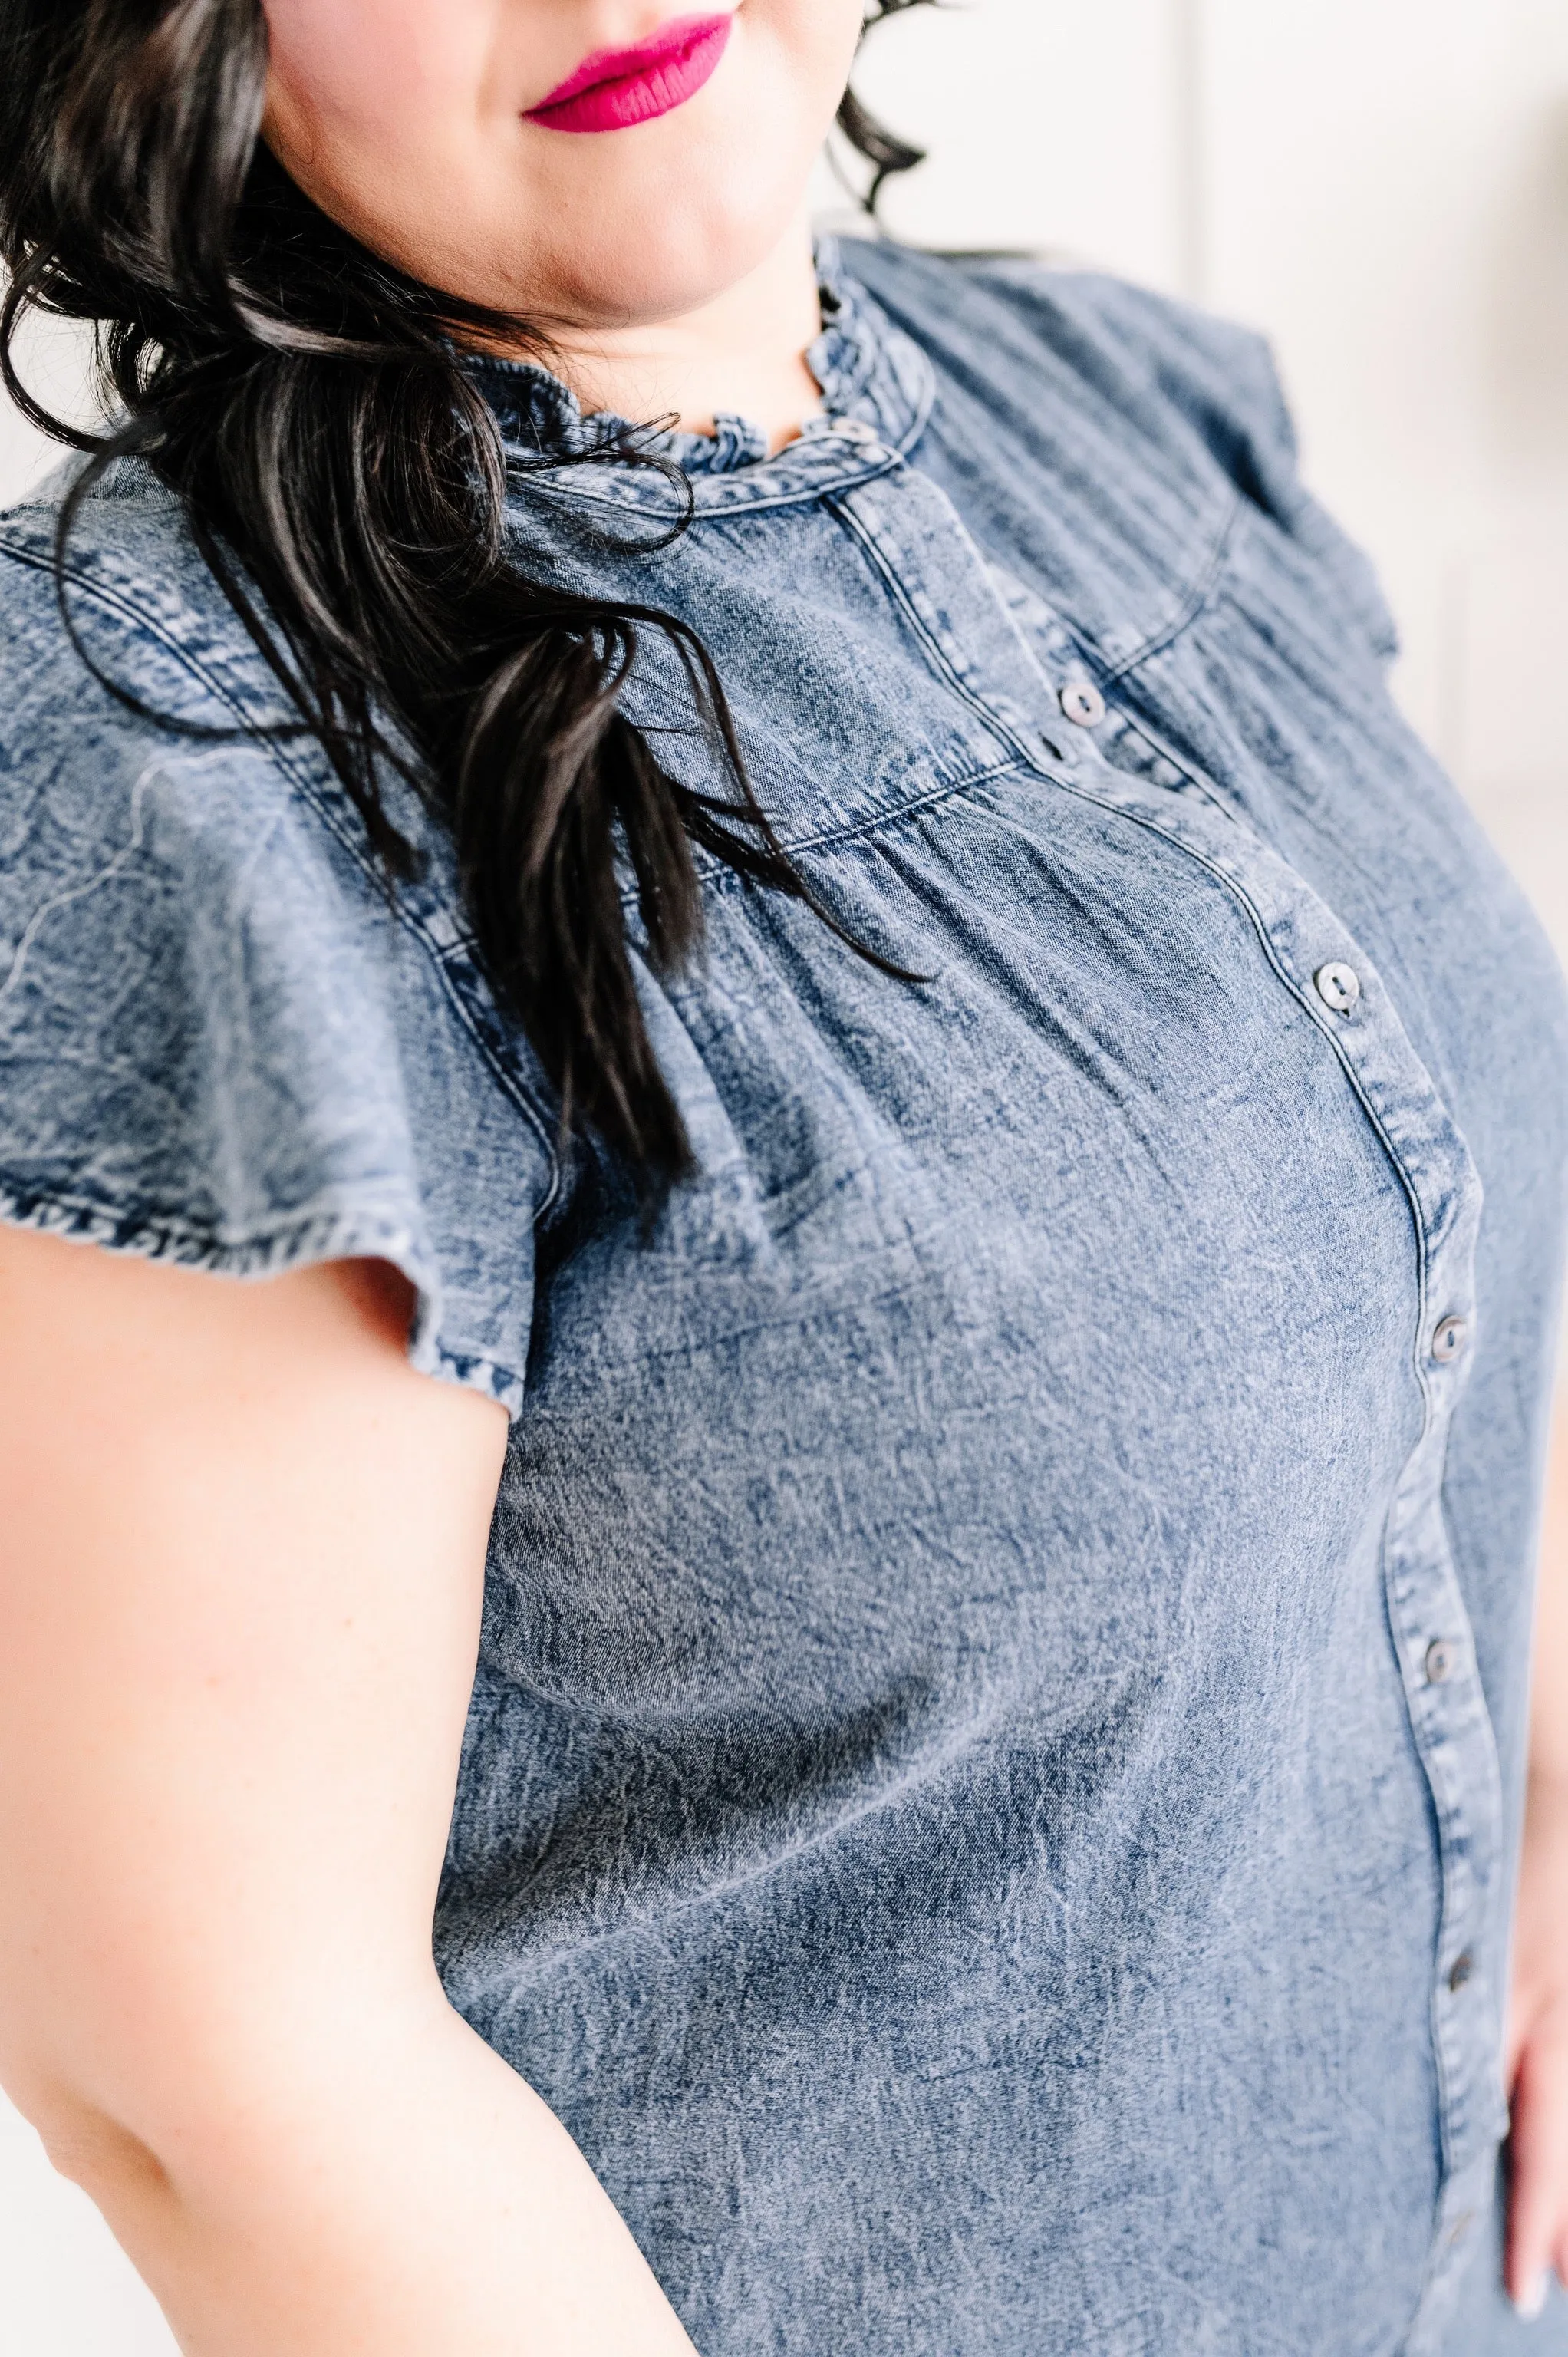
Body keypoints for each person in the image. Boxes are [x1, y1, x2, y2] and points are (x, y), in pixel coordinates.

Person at [0, 1, 1566, 2349]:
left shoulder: (1118, 400)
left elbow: (1439, 1229)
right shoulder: (190, 747)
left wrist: (1540, 1790)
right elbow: (213, 2074)